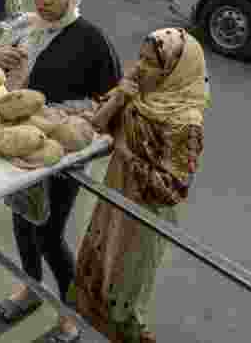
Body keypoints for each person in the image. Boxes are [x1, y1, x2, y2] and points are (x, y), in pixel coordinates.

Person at [0, 0, 122, 343]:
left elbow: (111, 101)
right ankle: (30, 287)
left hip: (62, 153)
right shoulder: (23, 26)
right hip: (16, 143)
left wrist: (63, 119)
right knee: (21, 222)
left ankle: (70, 313)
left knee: (48, 234)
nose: (45, 1)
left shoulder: (91, 40)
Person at [73, 28, 209, 343]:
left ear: (175, 70)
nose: (139, 67)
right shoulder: (140, 93)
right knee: (100, 276)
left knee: (127, 289)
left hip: (145, 215)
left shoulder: (185, 122)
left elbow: (173, 189)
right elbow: (96, 123)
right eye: (140, 58)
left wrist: (126, 156)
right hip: (116, 198)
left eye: (150, 62)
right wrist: (121, 94)